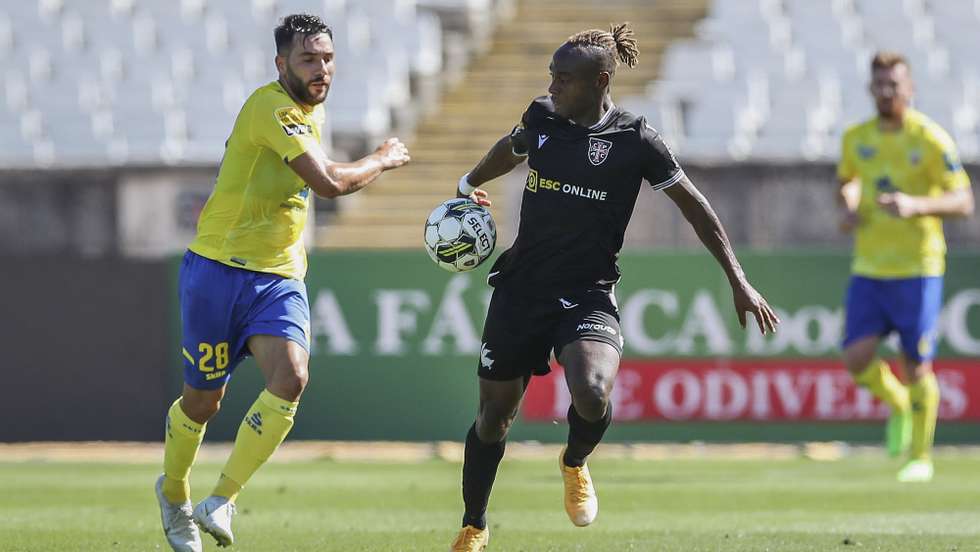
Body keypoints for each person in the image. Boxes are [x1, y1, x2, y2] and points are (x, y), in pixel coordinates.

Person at [448, 23, 780, 551]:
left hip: (587, 292)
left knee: (593, 391)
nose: (552, 86)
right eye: (550, 76)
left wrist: (738, 280)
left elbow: (697, 209)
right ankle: (475, 525)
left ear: (600, 80)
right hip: (522, 289)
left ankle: (574, 460)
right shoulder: (541, 117)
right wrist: (469, 184)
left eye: (563, 78)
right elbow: (511, 149)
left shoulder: (636, 140)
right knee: (493, 418)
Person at [154, 13, 410, 552]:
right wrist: (384, 159)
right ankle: (174, 493)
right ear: (281, 64)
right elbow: (331, 183)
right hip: (218, 270)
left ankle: (220, 498)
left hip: (278, 277)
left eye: (328, 59)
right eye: (309, 59)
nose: (322, 70)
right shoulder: (269, 107)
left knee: (292, 378)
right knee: (202, 404)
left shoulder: (310, 112)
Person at [837, 51, 974, 483]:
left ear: (909, 88)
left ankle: (921, 456)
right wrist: (849, 203)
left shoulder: (930, 139)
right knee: (856, 358)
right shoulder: (856, 136)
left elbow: (964, 201)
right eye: (879, 84)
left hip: (918, 267)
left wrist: (916, 205)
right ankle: (898, 404)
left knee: (916, 364)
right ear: (870, 88)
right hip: (869, 265)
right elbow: (848, 180)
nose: (886, 91)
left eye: (894, 84)